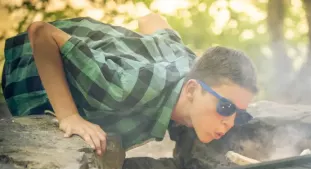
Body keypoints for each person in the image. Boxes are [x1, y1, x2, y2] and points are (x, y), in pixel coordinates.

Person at [1, 14, 258, 156]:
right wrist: (69, 116)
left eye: (239, 113)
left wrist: (131, 44)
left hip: (108, 57)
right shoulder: (123, 86)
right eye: (225, 107)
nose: (230, 122)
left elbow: (151, 20)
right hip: (30, 68)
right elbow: (41, 32)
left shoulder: (190, 63)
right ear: (191, 90)